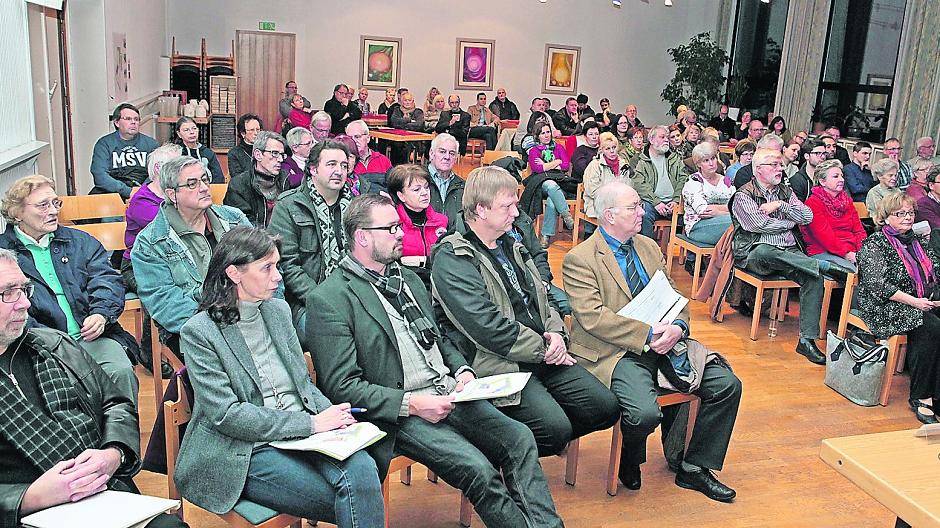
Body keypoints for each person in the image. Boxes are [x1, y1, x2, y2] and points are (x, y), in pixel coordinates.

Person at [306, 193, 565, 528]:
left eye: (400, 226)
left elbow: (439, 339)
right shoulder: (329, 299)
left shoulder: (409, 280)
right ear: (362, 237)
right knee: (479, 471)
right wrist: (413, 404)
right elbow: (342, 387)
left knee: (519, 439)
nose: (401, 234)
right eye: (392, 228)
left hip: (449, 393)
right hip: (400, 414)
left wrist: (462, 370)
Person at [174, 226, 384, 526]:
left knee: (363, 471)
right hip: (244, 448)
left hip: (302, 433)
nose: (278, 276)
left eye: (277, 265)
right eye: (267, 268)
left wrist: (330, 413)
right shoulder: (200, 332)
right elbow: (227, 415)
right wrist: (310, 424)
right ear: (234, 273)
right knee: (357, 496)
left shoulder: (278, 310)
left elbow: (303, 384)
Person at [562, 181, 741, 501]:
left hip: (667, 343)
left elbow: (675, 297)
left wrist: (678, 328)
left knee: (726, 384)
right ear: (609, 215)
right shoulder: (581, 258)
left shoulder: (647, 246)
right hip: (616, 351)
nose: (642, 211)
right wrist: (646, 335)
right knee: (644, 413)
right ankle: (630, 456)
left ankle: (693, 467)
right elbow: (593, 318)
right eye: (634, 207)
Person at [432, 166, 620, 457]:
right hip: (496, 360)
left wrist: (558, 336)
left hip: (540, 349)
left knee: (604, 408)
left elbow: (544, 296)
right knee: (554, 431)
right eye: (507, 206)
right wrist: (544, 348)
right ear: (481, 210)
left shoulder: (512, 242)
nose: (516, 213)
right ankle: (498, 449)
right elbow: (487, 327)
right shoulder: (453, 256)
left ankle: (520, 446)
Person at [0, 250, 189, 528]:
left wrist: (114, 453)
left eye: (24, 289)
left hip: (102, 495)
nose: (25, 303)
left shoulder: (54, 344)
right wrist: (28, 497)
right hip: (25, 516)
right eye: (8, 293)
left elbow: (115, 402)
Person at [0, 175, 139, 403]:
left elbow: (107, 280)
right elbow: (11, 311)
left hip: (92, 337)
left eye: (56, 203)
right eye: (43, 205)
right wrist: (50, 340)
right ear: (17, 213)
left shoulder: (80, 241)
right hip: (38, 347)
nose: (53, 211)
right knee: (61, 388)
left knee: (120, 372)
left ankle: (120, 439)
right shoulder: (4, 255)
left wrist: (101, 314)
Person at [730, 148, 850, 365]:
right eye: (774, 165)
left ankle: (806, 341)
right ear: (758, 169)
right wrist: (788, 223)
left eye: (780, 164)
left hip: (790, 253)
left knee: (813, 278)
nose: (780, 168)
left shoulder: (785, 192)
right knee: (766, 250)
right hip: (755, 254)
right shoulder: (743, 194)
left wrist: (781, 206)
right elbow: (757, 225)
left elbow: (806, 216)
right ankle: (820, 264)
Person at [132, 156, 249, 355]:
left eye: (205, 179)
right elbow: (165, 302)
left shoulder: (234, 219)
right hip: (194, 329)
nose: (204, 187)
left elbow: (265, 265)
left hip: (246, 314)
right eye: (192, 183)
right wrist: (219, 325)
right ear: (172, 194)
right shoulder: (150, 242)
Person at [856, 192, 940, 424]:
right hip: (883, 305)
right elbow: (877, 285)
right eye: (900, 214)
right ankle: (922, 397)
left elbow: (936, 270)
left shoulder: (918, 240)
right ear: (885, 217)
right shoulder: (874, 243)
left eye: (910, 213)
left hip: (919, 298)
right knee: (930, 327)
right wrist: (916, 302)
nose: (907, 218)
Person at [269, 139, 352, 333]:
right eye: (331, 164)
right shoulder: (289, 206)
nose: (339, 171)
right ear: (313, 169)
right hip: (306, 301)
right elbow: (287, 265)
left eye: (344, 165)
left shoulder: (356, 207)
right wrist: (321, 298)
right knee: (335, 329)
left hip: (351, 293)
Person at [122, 144, 181, 293]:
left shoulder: (176, 193)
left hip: (172, 259)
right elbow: (171, 227)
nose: (182, 172)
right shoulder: (142, 201)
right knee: (165, 292)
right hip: (138, 263)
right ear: (158, 169)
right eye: (177, 167)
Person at [800, 159, 867, 272]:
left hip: (852, 252)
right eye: (836, 176)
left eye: (842, 176)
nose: (841, 179)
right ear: (822, 181)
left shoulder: (847, 201)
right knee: (857, 273)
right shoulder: (813, 203)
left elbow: (859, 230)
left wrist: (862, 251)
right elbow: (825, 237)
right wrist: (847, 254)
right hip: (823, 252)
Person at [386, 164, 448, 285]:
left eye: (426, 187)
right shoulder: (393, 226)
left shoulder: (442, 221)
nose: (425, 193)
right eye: (417, 189)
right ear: (401, 195)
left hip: (440, 285)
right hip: (406, 285)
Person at [681, 143, 734, 273]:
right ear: (699, 164)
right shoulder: (693, 181)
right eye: (706, 160)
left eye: (713, 158)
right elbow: (703, 211)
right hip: (697, 227)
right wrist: (728, 210)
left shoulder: (726, 180)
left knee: (739, 224)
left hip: (724, 223)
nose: (711, 163)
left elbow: (738, 205)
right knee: (738, 222)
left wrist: (717, 210)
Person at [521, 119, 576, 247]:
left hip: (560, 182)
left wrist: (547, 165)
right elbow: (537, 169)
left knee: (552, 202)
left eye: (548, 132)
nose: (546, 135)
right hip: (540, 184)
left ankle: (545, 235)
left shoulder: (559, 147)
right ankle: (566, 215)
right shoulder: (534, 150)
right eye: (542, 133)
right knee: (549, 183)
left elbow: (566, 165)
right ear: (537, 136)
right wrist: (556, 162)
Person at [90, 103, 160, 198]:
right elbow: (99, 174)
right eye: (128, 119)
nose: (133, 122)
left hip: (144, 191)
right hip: (112, 191)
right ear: (117, 122)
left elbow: (157, 173)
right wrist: (127, 191)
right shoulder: (104, 143)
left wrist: (142, 190)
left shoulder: (151, 144)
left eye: (136, 119)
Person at [223, 131, 289, 228]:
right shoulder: (238, 185)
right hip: (253, 240)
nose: (280, 159)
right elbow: (242, 226)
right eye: (274, 153)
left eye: (282, 154)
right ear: (258, 155)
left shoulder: (285, 180)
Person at [633, 125, 688, 239]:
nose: (666, 140)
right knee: (644, 213)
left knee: (693, 214)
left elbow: (683, 179)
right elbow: (639, 184)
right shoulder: (641, 160)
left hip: (674, 204)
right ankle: (647, 250)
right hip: (652, 204)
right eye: (662, 137)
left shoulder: (674, 159)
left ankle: (689, 256)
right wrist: (656, 202)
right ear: (651, 140)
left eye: (667, 137)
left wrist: (676, 200)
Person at [583, 132, 632, 219]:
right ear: (602, 150)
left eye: (614, 147)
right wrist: (611, 200)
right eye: (608, 148)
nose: (612, 151)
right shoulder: (595, 165)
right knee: (616, 216)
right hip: (597, 203)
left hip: (619, 203)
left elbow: (628, 186)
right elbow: (592, 191)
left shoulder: (624, 163)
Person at [426, 133, 465, 227]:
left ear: (456, 158)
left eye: (452, 153)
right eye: (442, 152)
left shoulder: (463, 186)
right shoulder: (418, 180)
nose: (447, 157)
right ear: (431, 153)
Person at [346, 119, 393, 192]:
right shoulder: (346, 163)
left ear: (368, 138)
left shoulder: (383, 160)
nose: (354, 141)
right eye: (350, 138)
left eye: (357, 137)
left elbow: (394, 187)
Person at [173, 116, 223, 183]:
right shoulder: (176, 153)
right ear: (179, 134)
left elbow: (218, 178)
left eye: (194, 128)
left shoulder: (208, 153)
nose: (192, 132)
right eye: (186, 130)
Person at [389, 92, 425, 164]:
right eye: (405, 100)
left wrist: (402, 124)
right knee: (397, 145)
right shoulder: (397, 110)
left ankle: (406, 167)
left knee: (406, 146)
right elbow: (394, 122)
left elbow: (419, 125)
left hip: (414, 140)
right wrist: (408, 120)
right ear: (402, 102)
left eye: (409, 100)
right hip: (398, 138)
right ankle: (396, 168)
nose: (407, 102)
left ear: (413, 101)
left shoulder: (418, 112)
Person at [789, 139, 828, 203]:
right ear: (807, 156)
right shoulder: (797, 180)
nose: (823, 157)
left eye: (824, 153)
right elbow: (797, 208)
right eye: (818, 153)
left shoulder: (827, 177)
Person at [227, 114, 263, 180]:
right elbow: (237, 178)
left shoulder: (266, 150)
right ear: (243, 133)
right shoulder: (234, 153)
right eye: (252, 130)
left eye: (258, 130)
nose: (256, 133)